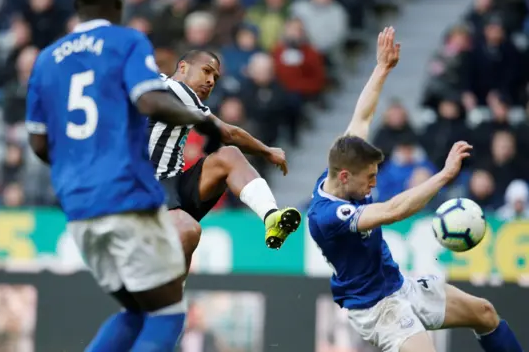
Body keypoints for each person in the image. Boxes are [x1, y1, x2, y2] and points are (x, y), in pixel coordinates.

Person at [25, 0, 223, 351]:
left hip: (78, 207)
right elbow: (149, 100)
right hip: (125, 197)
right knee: (168, 314)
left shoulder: (46, 59)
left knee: (136, 312)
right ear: (117, 5)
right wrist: (202, 121)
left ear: (77, 7)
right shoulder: (126, 40)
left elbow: (39, 144)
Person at [307, 27, 522, 352]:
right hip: (376, 309)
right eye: (369, 178)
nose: (374, 184)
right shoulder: (328, 216)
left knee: (485, 313)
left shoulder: (342, 164)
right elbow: (394, 211)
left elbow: (361, 117)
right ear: (347, 176)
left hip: (399, 286)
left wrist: (382, 68)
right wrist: (444, 175)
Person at [149, 49, 302, 270]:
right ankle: (168, 298)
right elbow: (229, 133)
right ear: (182, 68)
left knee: (229, 156)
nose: (211, 81)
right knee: (187, 229)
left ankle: (271, 217)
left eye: (215, 77)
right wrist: (267, 151)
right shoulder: (175, 89)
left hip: (173, 186)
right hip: (146, 187)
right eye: (206, 71)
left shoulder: (173, 95)